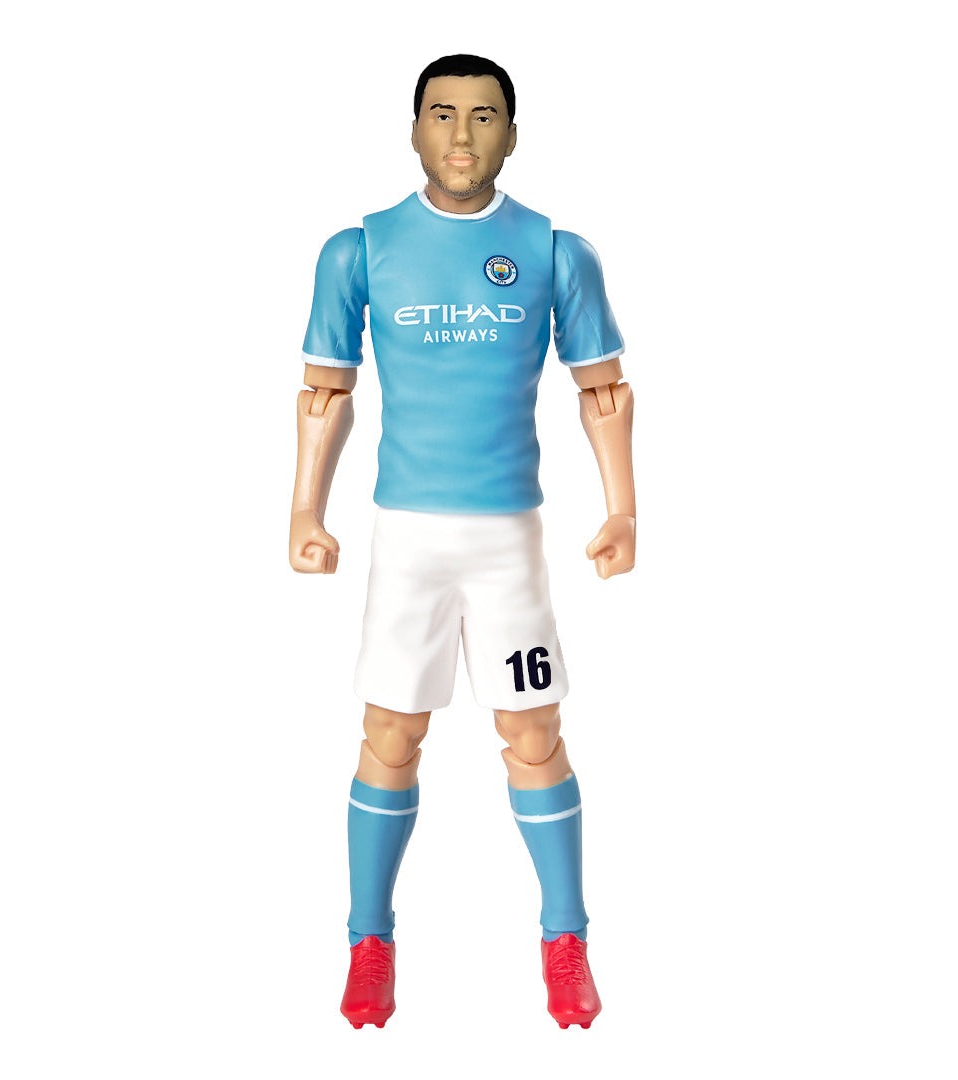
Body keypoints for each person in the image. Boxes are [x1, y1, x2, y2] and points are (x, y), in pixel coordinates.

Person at [290, 54, 635, 1029]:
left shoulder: (553, 250)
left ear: (511, 135)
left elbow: (602, 388)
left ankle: (565, 940)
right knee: (390, 734)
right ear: (414, 129)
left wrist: (623, 508)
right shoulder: (360, 250)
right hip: (407, 538)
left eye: (485, 117)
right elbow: (325, 389)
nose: (461, 134)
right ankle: (369, 942)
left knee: (533, 734)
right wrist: (305, 510)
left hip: (509, 540)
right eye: (442, 113)